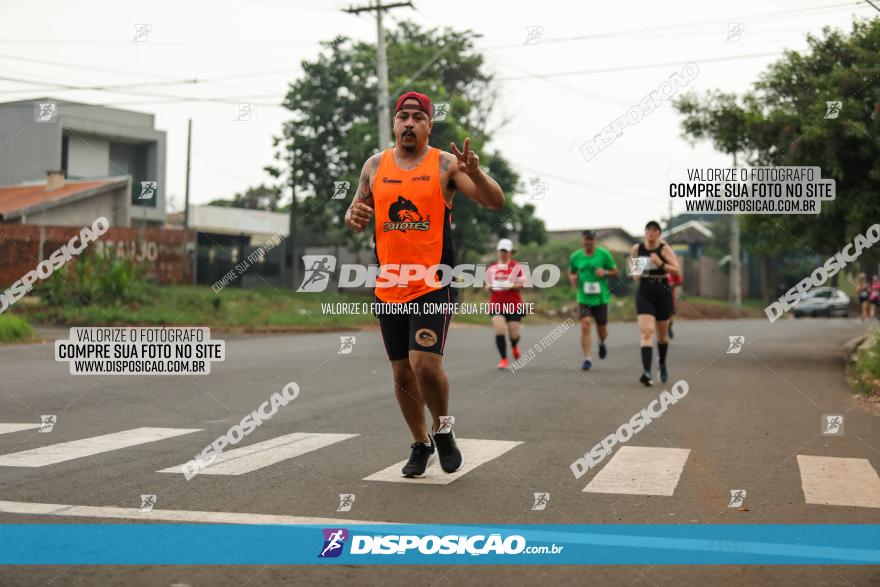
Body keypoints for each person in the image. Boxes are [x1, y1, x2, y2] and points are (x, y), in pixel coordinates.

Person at [344, 91, 505, 478]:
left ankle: (443, 429)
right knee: (402, 373)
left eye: (419, 117)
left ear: (429, 125)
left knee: (425, 366)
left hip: (434, 282)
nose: (409, 123)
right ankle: (421, 442)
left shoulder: (446, 164)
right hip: (388, 284)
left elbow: (494, 201)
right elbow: (354, 211)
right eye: (403, 117)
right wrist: (355, 214)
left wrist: (477, 171)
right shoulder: (374, 165)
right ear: (395, 123)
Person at [630, 220, 681, 386]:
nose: (650, 233)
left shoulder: (665, 248)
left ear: (659, 233)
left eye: (654, 230)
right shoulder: (637, 249)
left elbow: (677, 270)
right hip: (645, 291)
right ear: (645, 233)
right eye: (648, 230)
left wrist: (661, 263)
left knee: (663, 336)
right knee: (646, 332)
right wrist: (637, 270)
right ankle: (646, 372)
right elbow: (635, 274)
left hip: (663, 291)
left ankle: (662, 363)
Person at [568, 229, 619, 371]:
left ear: (594, 240)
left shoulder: (604, 254)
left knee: (602, 329)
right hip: (583, 297)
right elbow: (571, 271)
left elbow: (616, 272)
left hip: (601, 297)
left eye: (591, 238)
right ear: (583, 240)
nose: (588, 241)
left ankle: (602, 342)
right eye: (586, 238)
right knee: (585, 324)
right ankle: (587, 358)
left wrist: (605, 272)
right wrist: (572, 278)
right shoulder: (576, 256)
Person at [486, 238, 525, 369]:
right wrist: (489, 287)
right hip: (497, 304)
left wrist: (512, 285)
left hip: (514, 305)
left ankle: (514, 345)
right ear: (498, 252)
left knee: (513, 334)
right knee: (500, 329)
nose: (503, 253)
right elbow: (487, 284)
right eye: (501, 251)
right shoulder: (492, 268)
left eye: (506, 251)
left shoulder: (517, 266)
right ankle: (503, 359)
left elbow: (522, 282)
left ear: (511, 252)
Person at [667, 269, 683, 338]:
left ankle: (669, 327)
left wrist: (673, 283)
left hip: (669, 296)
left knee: (671, 313)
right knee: (647, 331)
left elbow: (680, 281)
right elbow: (636, 275)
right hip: (648, 294)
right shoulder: (645, 259)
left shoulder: (671, 263)